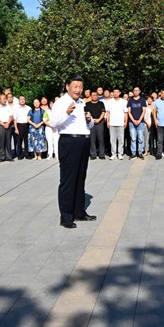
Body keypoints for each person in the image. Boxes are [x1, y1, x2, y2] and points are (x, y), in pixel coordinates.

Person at [48, 75, 96, 228]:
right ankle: (66, 216)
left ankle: (79, 212)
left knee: (80, 178)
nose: (78, 89)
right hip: (69, 142)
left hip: (83, 141)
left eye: (80, 87)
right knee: (68, 180)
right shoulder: (60, 102)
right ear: (67, 86)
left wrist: (90, 120)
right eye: (75, 86)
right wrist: (67, 113)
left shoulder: (82, 103)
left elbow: (91, 125)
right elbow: (54, 123)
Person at [106, 89, 127, 160]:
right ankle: (113, 154)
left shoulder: (124, 101)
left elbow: (125, 113)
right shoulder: (110, 101)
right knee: (112, 140)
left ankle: (120, 154)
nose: (115, 93)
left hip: (120, 123)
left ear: (119, 93)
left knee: (121, 140)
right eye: (114, 92)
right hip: (112, 123)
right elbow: (108, 112)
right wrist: (107, 122)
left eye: (117, 92)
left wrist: (125, 122)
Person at [84, 91, 107, 160]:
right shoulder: (87, 104)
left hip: (100, 123)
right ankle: (93, 154)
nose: (94, 96)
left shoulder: (101, 103)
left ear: (97, 96)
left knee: (101, 139)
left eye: (96, 95)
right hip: (91, 123)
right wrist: (91, 119)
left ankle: (101, 154)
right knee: (92, 139)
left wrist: (99, 119)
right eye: (93, 95)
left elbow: (103, 112)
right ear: (91, 96)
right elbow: (86, 113)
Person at [127, 88, 147, 160]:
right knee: (133, 138)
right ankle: (133, 153)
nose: (136, 92)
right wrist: (133, 120)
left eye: (137, 90)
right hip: (131, 122)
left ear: (139, 91)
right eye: (134, 90)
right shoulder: (130, 100)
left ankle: (140, 152)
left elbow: (144, 111)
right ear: (133, 92)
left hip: (140, 122)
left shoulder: (142, 100)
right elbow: (129, 112)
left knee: (140, 138)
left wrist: (139, 120)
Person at [0, 94, 14, 162]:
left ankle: (9, 156)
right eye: (4, 98)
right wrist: (3, 124)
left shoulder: (8, 106)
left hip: (8, 124)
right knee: (1, 142)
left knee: (8, 141)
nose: (5, 100)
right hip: (0, 125)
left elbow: (11, 116)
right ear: (0, 100)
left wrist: (8, 123)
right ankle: (2, 157)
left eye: (5, 98)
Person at [13, 96, 31, 160]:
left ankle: (27, 154)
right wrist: (16, 128)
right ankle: (19, 155)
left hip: (27, 125)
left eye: (23, 99)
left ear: (25, 100)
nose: (22, 100)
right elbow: (14, 120)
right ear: (19, 101)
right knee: (19, 141)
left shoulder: (28, 108)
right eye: (21, 99)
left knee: (27, 141)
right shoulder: (16, 109)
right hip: (19, 125)